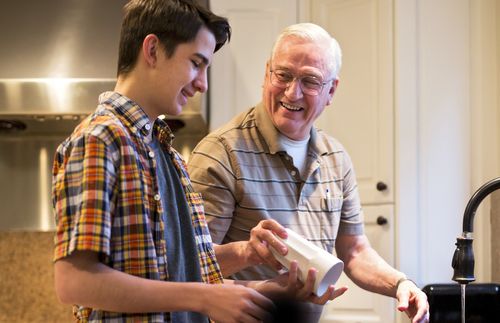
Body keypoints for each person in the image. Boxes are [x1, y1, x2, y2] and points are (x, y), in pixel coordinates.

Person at [52, 2, 343, 322]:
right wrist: (205, 297)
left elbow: (184, 269)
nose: (202, 83)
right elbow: (74, 282)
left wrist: (254, 273)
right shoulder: (100, 140)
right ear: (152, 50)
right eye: (196, 63)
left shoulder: (168, 155)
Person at [188, 22, 430, 323]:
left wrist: (401, 284)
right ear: (267, 74)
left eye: (310, 81)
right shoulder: (221, 152)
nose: (293, 92)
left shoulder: (335, 158)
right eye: (283, 75)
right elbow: (190, 266)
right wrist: (259, 275)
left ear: (331, 90)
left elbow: (353, 250)